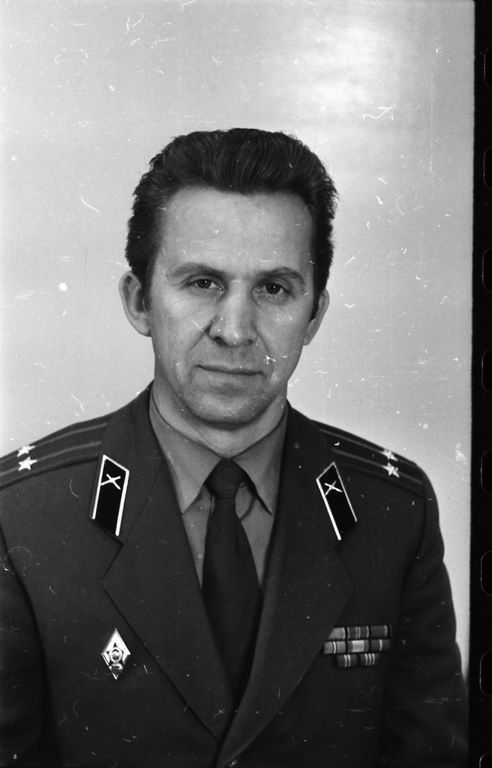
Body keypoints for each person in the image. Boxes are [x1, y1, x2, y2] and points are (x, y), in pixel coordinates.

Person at [0, 128, 466, 767]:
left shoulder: (393, 511)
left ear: (315, 314)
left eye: (274, 289)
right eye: (203, 283)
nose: (236, 330)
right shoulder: (23, 518)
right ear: (139, 301)